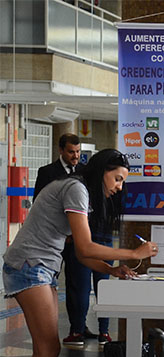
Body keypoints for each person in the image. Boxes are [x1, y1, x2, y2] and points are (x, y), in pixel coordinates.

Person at [3, 149, 156, 357]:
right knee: (48, 348)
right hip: (31, 266)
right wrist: (133, 254)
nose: (118, 187)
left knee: (44, 350)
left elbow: (83, 254)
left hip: (35, 266)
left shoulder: (74, 187)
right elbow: (86, 245)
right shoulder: (77, 189)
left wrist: (113, 270)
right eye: (117, 179)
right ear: (103, 171)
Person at [35, 134, 110, 345]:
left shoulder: (84, 173)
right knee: (75, 285)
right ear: (61, 150)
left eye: (78, 152)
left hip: (86, 234)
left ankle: (92, 328)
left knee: (94, 283)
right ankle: (76, 327)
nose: (75, 156)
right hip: (63, 241)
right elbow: (42, 206)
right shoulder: (47, 173)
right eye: (71, 152)